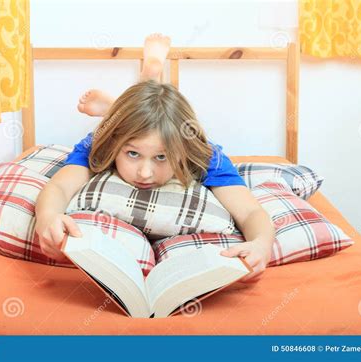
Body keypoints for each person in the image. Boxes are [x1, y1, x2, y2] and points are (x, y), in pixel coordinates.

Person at [35, 33, 275, 282]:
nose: (145, 173)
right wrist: (47, 218)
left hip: (168, 130)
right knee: (141, 122)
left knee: (158, 121)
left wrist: (261, 244)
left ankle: (123, 103)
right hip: (115, 128)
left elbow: (250, 213)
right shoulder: (100, 143)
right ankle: (122, 106)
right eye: (132, 154)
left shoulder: (204, 155)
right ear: (115, 146)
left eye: (161, 157)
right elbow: (60, 187)